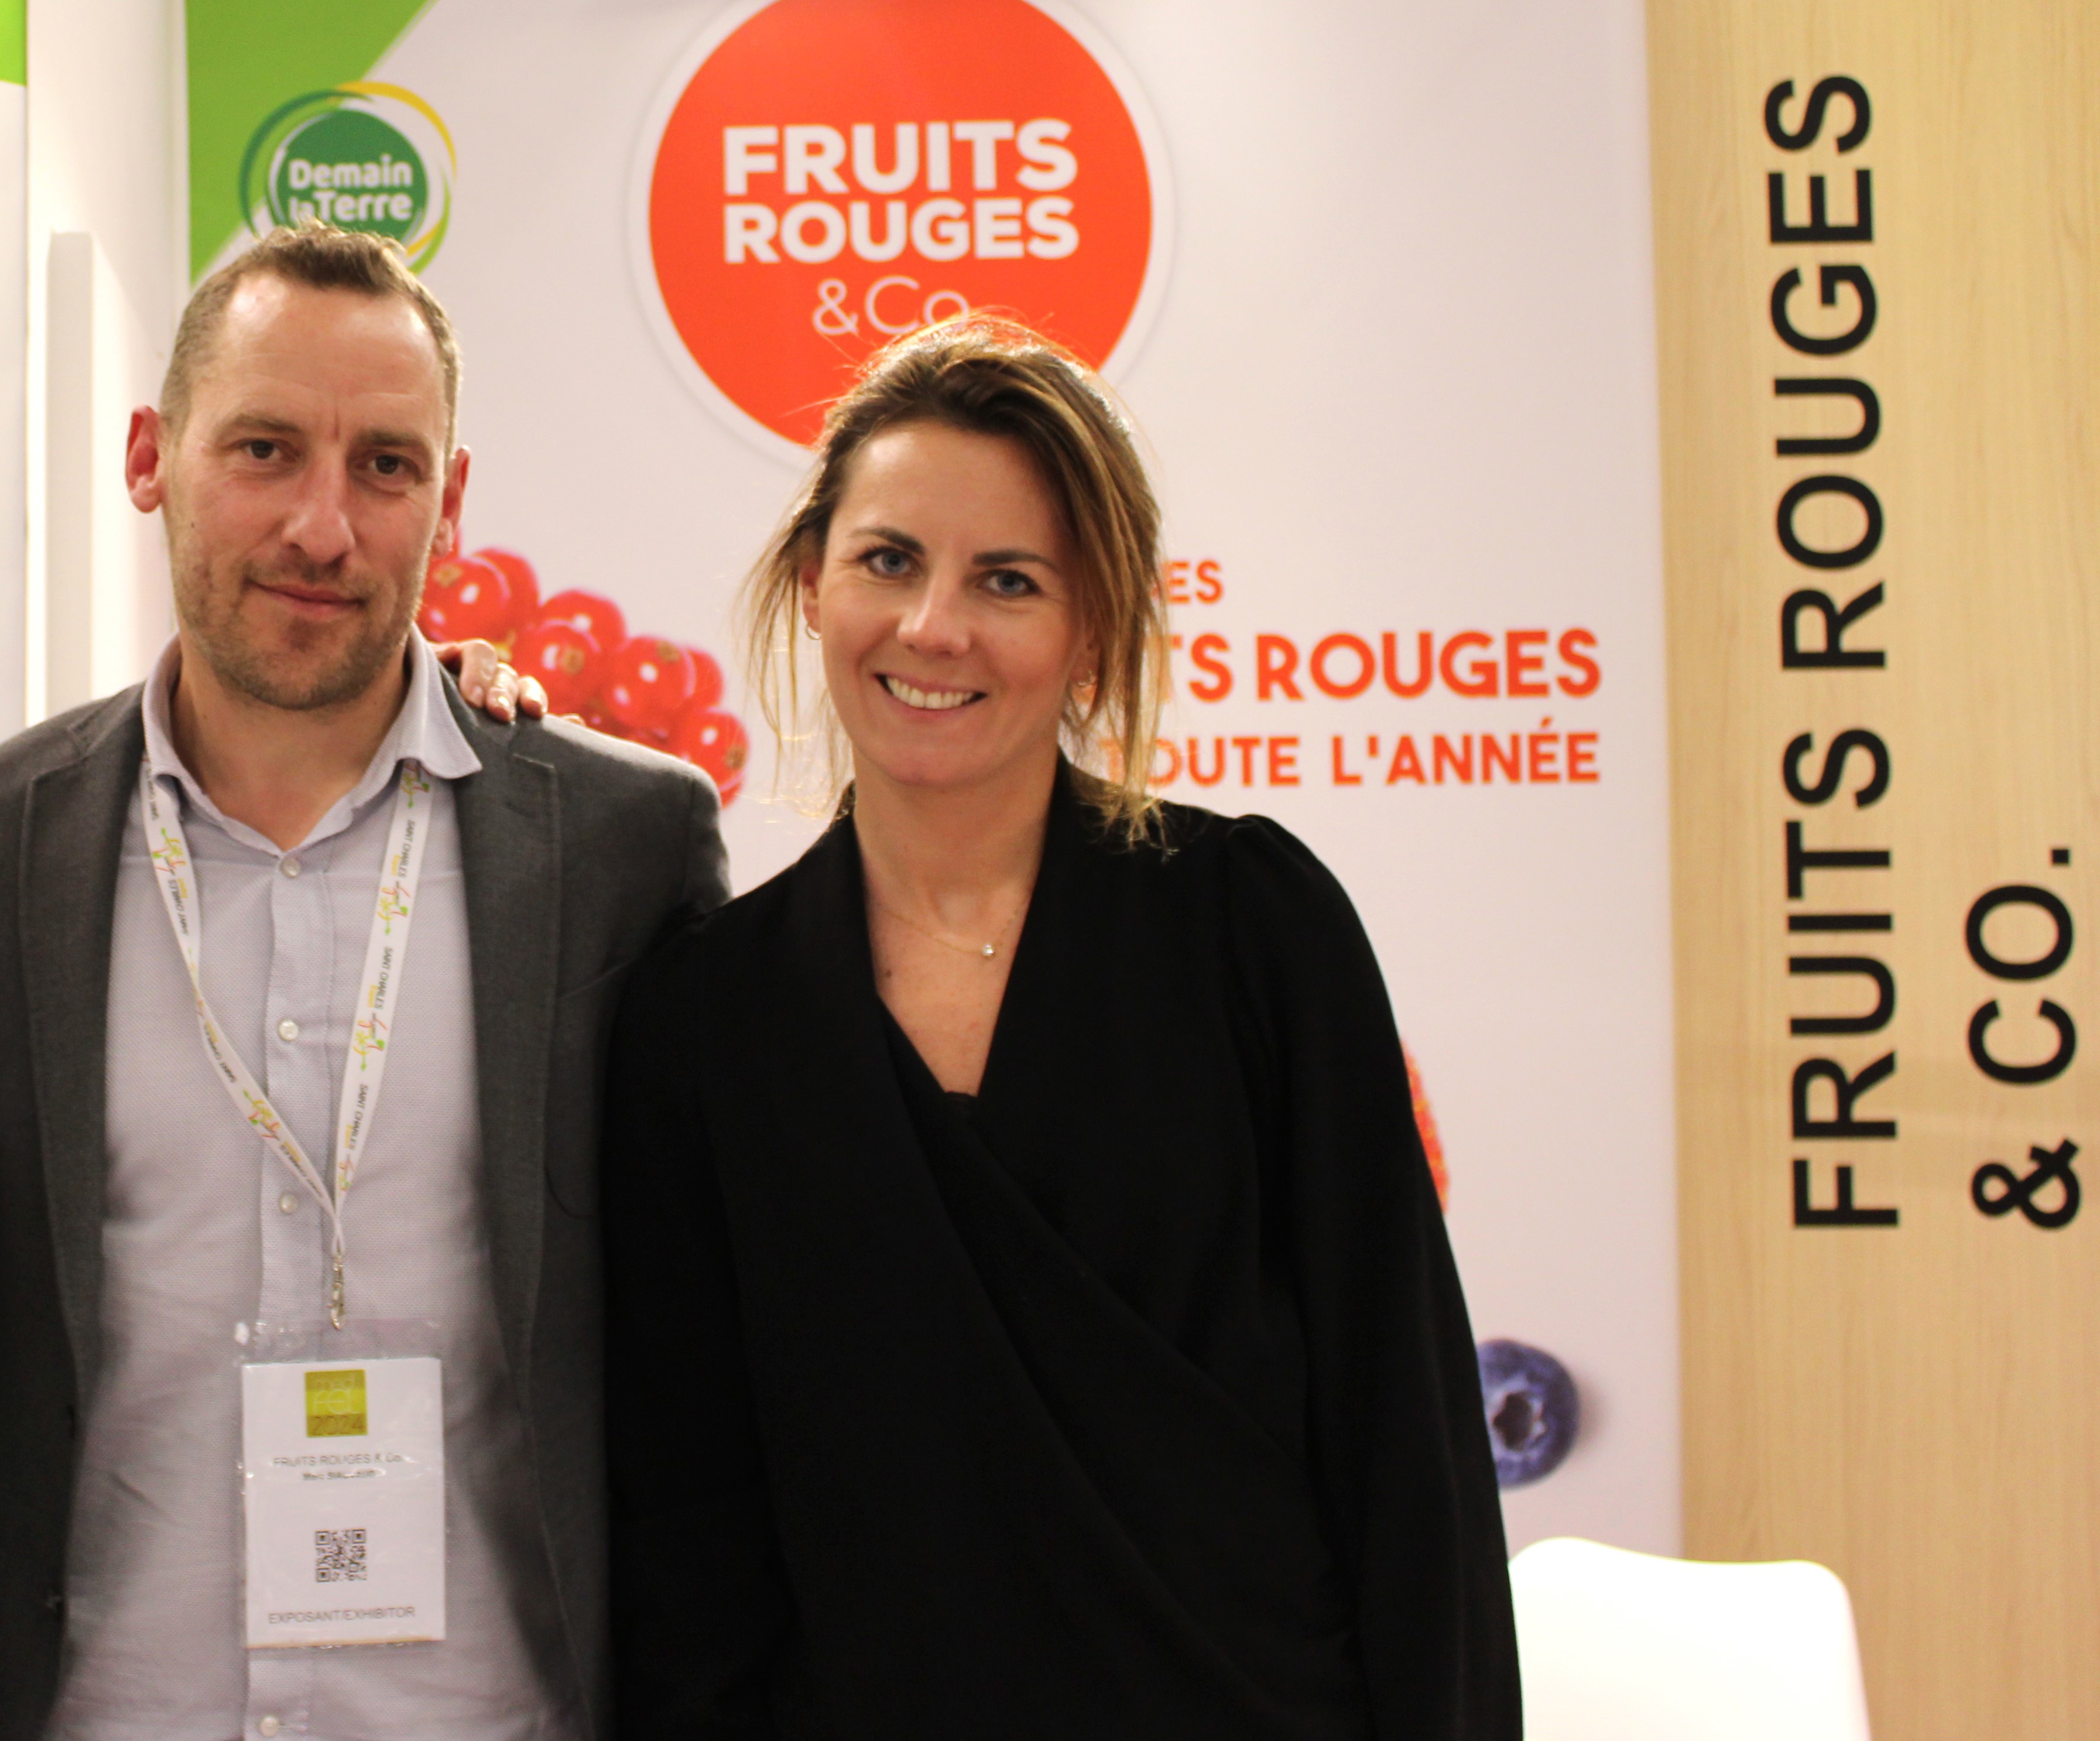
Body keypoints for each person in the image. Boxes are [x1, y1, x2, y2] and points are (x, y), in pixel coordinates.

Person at [0, 225, 730, 1741]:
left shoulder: (619, 847)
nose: (324, 528)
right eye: (264, 449)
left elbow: (701, 1337)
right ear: (151, 455)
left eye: (386, 467)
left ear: (449, 502)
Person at [604, 316, 1519, 1740]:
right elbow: (691, 1549)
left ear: (1092, 629)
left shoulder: (1253, 926)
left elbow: (1409, 1443)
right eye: (888, 559)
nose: (934, 626)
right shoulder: (705, 1015)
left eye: (1008, 579)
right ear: (810, 583)